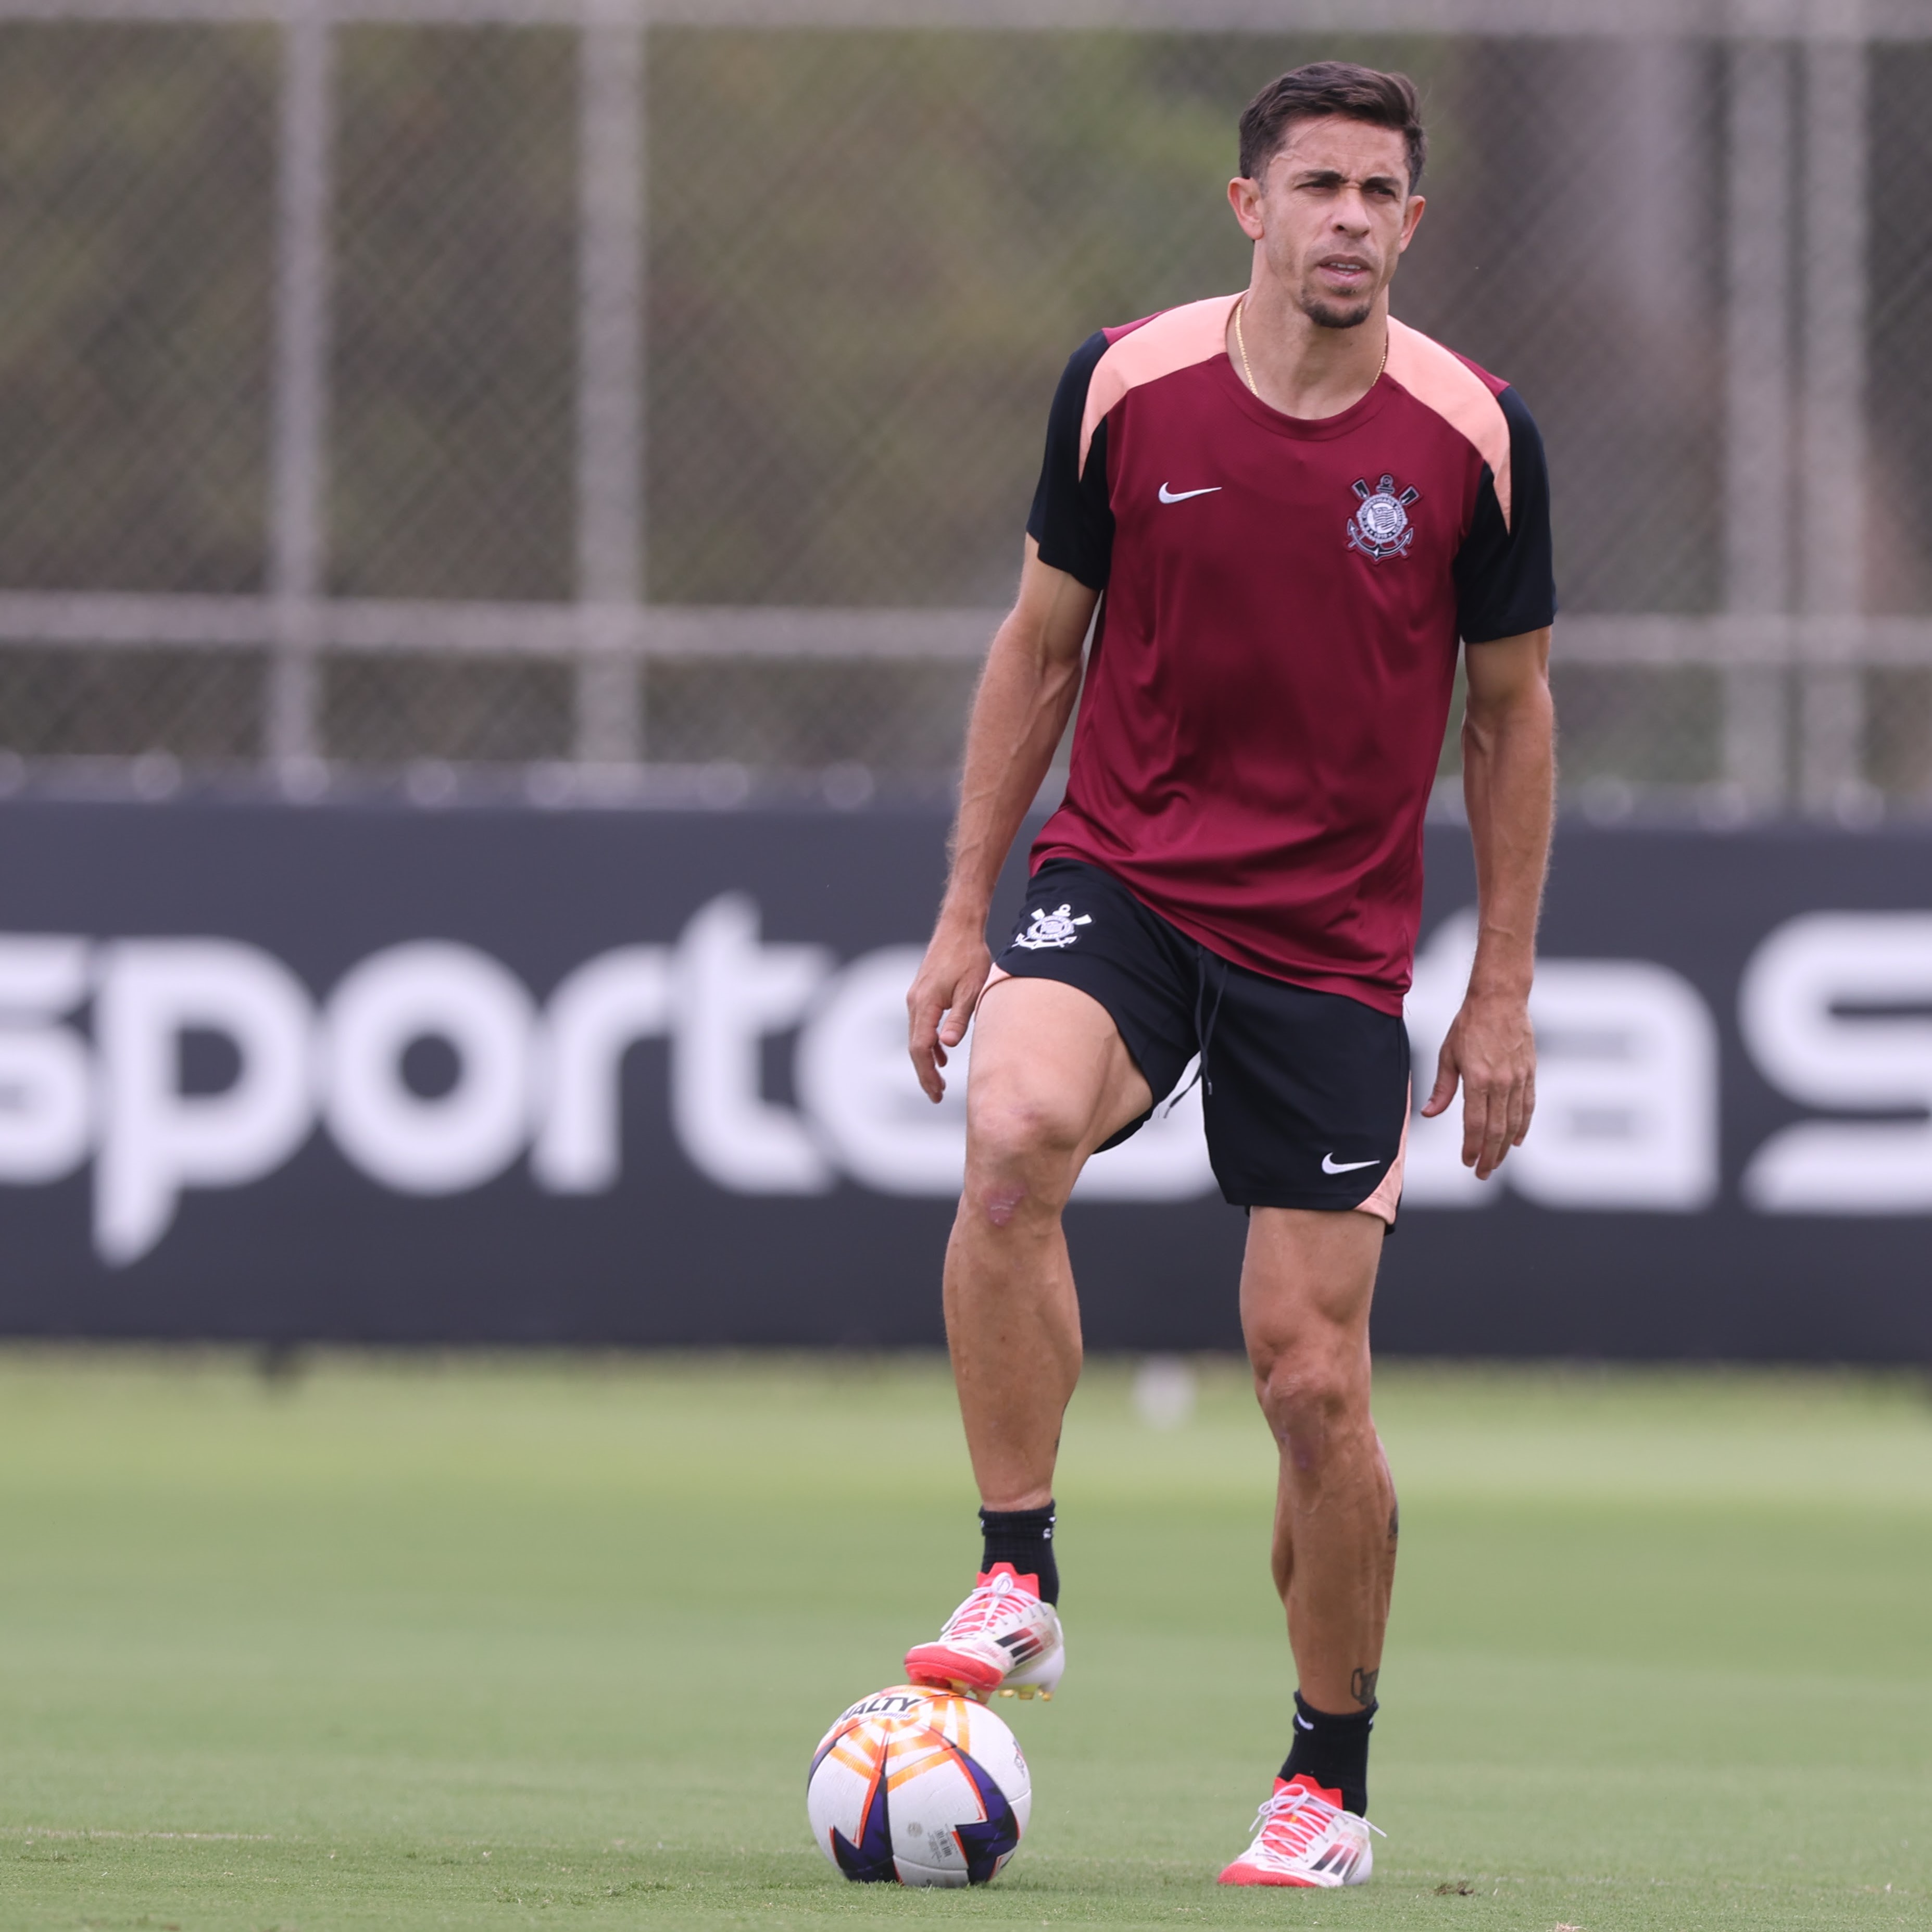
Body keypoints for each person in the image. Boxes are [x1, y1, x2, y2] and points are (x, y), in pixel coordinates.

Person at [899, 60, 1556, 1889]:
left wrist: (1497, 992)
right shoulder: (1125, 387)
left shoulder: (1476, 435)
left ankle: (1324, 1782)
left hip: (1333, 951)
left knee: (1306, 1383)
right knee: (1013, 1132)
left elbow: (1511, 724)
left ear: (1413, 225)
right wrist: (965, 913)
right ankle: (1018, 1574)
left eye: (1381, 193)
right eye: (1318, 185)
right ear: (1248, 207)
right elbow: (1040, 653)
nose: (1350, 218)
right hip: (1122, 875)